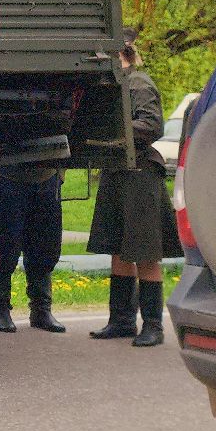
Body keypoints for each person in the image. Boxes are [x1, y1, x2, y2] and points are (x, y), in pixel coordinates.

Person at [88, 33, 183, 346]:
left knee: (144, 252)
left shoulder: (138, 82)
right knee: (118, 247)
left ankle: (153, 326)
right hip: (116, 171)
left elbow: (152, 124)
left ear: (122, 53)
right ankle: (121, 321)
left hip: (141, 173)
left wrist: (116, 133)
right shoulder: (113, 83)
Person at [0, 164, 66, 333]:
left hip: (47, 175)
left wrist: (60, 173)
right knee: (4, 249)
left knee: (45, 246)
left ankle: (41, 309)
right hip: (5, 174)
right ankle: (1, 309)